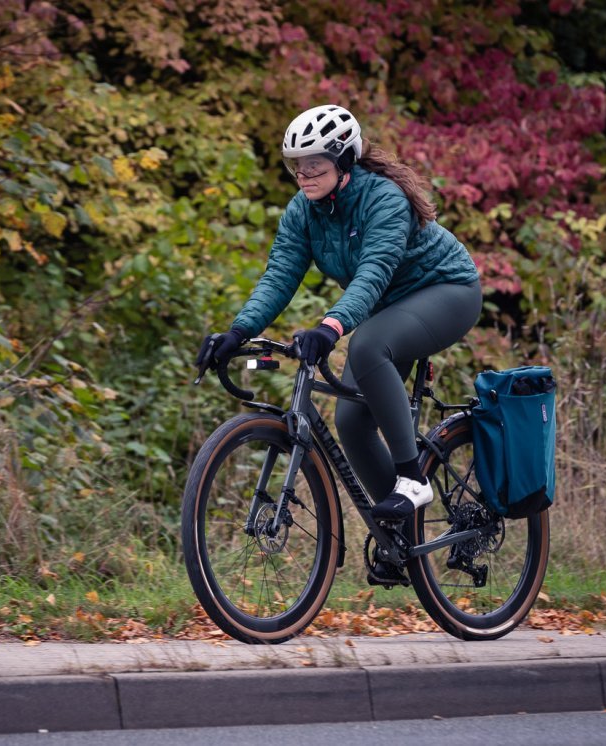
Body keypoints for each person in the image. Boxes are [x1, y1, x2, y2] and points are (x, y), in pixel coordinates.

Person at [197, 104, 481, 524]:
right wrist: (238, 332)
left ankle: (412, 479)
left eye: (315, 165)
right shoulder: (303, 210)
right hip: (389, 306)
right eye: (298, 167)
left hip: (447, 292)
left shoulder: (384, 199)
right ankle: (399, 535)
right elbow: (279, 276)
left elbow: (373, 272)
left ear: (344, 161)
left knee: (367, 345)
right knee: (351, 421)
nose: (304, 176)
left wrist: (330, 327)